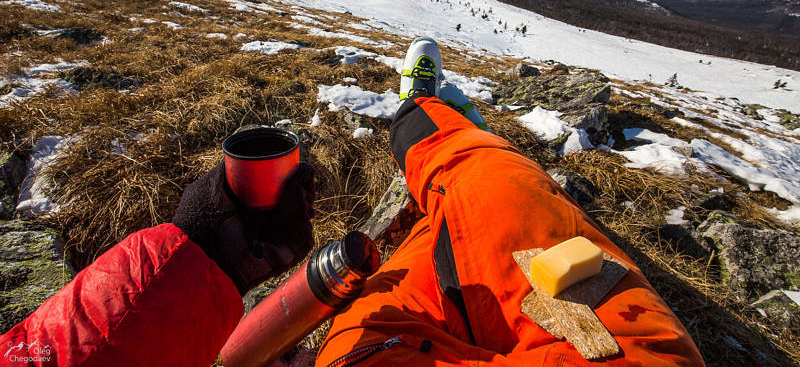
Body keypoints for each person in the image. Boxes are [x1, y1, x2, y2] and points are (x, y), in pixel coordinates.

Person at [1, 37, 704, 366]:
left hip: (370, 348)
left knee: (410, 266)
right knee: (499, 190)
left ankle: (431, 161)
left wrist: (203, 265)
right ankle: (423, 116)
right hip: (595, 348)